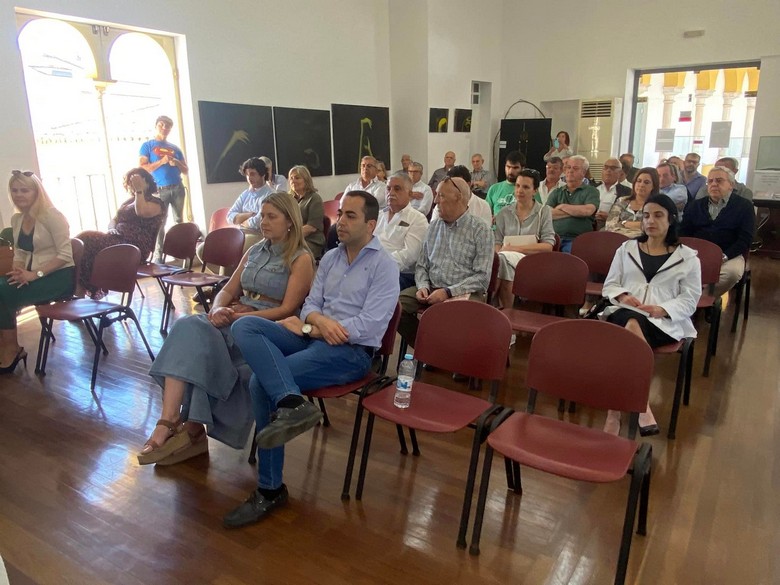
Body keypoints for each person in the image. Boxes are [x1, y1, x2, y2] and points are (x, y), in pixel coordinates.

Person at [224, 190, 398, 528]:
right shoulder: (330, 258)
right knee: (245, 325)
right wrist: (316, 324)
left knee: (261, 382)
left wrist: (318, 328)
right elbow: (310, 305)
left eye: (350, 216)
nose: (340, 221)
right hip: (312, 335)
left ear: (371, 225)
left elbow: (370, 325)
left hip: (351, 353)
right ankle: (292, 402)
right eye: (341, 214)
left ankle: (270, 488)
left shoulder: (384, 266)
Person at [138, 192, 315, 464]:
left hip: (266, 328)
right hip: (234, 315)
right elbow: (228, 289)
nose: (263, 222)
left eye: (272, 217)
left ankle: (183, 427)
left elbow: (287, 309)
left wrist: (243, 317)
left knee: (197, 345)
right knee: (188, 326)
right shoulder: (255, 251)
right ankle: (172, 420)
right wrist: (219, 308)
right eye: (262, 216)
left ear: (290, 221)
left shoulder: (300, 258)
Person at [601, 193, 702, 436]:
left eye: (658, 215)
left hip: (662, 322)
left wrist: (662, 309)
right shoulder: (627, 249)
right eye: (646, 216)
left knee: (627, 340)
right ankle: (641, 403)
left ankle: (614, 414)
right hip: (623, 313)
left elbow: (690, 299)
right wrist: (623, 296)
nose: (650, 221)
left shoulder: (687, 257)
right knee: (630, 320)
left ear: (671, 220)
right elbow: (610, 285)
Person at [398, 177, 493, 348]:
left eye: (441, 196)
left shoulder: (480, 230)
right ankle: (429, 348)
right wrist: (423, 286)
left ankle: (452, 355)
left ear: (459, 197)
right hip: (432, 288)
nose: (435, 201)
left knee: (455, 315)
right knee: (395, 307)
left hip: (465, 292)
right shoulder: (433, 227)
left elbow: (482, 278)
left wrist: (448, 292)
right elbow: (422, 265)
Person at [1, 171, 75, 373]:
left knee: (2, 291)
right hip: (32, 275)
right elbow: (20, 252)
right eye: (14, 190)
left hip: (57, 277)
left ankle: (10, 348)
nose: (19, 194)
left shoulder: (52, 216)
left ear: (36, 192)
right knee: (2, 288)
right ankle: (9, 346)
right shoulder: (17, 219)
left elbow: (65, 255)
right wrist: (19, 271)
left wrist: (34, 275)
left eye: (24, 190)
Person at [76, 168, 163, 298]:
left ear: (147, 182)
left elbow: (141, 212)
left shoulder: (156, 202)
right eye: (131, 182)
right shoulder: (129, 201)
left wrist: (139, 191)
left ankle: (87, 290)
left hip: (134, 247)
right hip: (117, 238)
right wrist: (112, 228)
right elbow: (114, 219)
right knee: (82, 241)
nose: (133, 185)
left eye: (137, 181)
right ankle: (81, 288)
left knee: (87, 242)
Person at [681, 166, 755, 296]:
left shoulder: (744, 206)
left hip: (729, 254)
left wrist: (724, 256)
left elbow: (745, 239)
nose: (714, 184)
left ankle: (703, 298)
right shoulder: (695, 205)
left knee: (731, 273)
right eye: (710, 181)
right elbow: (684, 233)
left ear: (731, 185)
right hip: (697, 254)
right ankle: (691, 297)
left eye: (719, 181)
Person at [494, 170, 556, 310]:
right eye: (517, 186)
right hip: (505, 260)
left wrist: (514, 249)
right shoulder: (503, 213)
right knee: (501, 262)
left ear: (535, 190)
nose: (519, 190)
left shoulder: (544, 212)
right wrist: (500, 255)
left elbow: (548, 246)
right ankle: (505, 313)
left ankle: (497, 310)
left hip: (532, 262)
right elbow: (497, 243)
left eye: (526, 187)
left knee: (502, 262)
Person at [139, 115, 188, 263]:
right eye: (161, 125)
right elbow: (143, 168)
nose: (164, 128)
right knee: (160, 223)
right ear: (156, 126)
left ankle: (181, 255)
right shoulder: (147, 146)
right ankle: (158, 257)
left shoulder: (175, 148)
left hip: (178, 188)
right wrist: (162, 161)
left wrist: (177, 162)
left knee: (179, 221)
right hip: (160, 190)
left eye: (168, 126)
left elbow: (185, 170)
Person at [374, 172, 429, 289]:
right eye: (388, 189)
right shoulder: (378, 216)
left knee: (373, 285)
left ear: (410, 194)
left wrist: (379, 265)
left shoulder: (417, 219)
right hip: (372, 267)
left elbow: (410, 255)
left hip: (401, 273)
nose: (391, 193)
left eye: (397, 189)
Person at [546, 155, 600, 252]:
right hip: (553, 238)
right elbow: (547, 214)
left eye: (575, 168)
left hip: (577, 239)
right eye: (568, 167)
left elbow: (587, 211)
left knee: (567, 258)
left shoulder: (591, 191)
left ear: (583, 172)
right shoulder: (556, 192)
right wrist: (576, 212)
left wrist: (562, 206)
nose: (570, 171)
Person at [225, 157, 274, 254]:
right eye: (247, 175)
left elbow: (257, 223)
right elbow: (229, 216)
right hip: (240, 232)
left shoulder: (270, 195)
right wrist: (250, 215)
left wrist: (240, 220)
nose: (249, 178)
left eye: (252, 174)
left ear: (263, 174)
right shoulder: (245, 194)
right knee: (205, 248)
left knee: (231, 250)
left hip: (259, 235)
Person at [604, 168, 660, 238]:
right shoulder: (622, 201)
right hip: (618, 239)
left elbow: (653, 227)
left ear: (653, 186)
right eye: (639, 181)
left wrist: (624, 223)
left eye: (646, 182)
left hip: (643, 241)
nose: (641, 185)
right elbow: (609, 225)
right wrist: (636, 226)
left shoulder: (657, 206)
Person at [288, 165, 325, 259]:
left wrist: (290, 237)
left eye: (297, 178)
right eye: (291, 178)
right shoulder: (290, 199)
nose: (293, 181)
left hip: (311, 241)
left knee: (288, 252)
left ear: (306, 180)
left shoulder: (314, 198)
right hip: (294, 239)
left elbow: (311, 228)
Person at [485, 151, 524, 217]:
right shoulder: (494, 188)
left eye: (515, 168)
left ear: (522, 168)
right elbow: (486, 213)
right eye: (508, 167)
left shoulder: (528, 189)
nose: (511, 171)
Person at [595, 157, 632, 226]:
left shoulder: (627, 192)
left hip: (613, 227)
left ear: (620, 173)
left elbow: (629, 217)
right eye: (606, 168)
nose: (608, 171)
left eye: (612, 168)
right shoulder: (593, 188)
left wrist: (611, 217)